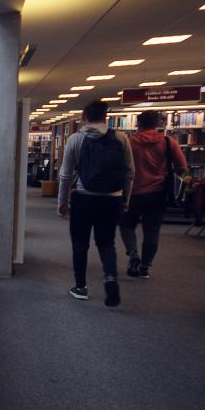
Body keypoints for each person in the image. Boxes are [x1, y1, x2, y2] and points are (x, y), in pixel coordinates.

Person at [58, 100, 135, 306]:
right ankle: (110, 277)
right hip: (112, 199)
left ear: (84, 116)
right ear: (106, 116)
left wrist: (62, 202)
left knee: (80, 243)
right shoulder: (121, 138)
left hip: (83, 198)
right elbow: (130, 173)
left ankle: (80, 287)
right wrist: (125, 200)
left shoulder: (76, 139)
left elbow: (65, 175)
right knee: (106, 243)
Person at [118, 110, 188, 278]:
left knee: (126, 225)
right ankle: (145, 266)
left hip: (131, 192)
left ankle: (133, 254)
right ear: (157, 123)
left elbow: (120, 166)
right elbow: (182, 167)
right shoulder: (169, 142)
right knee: (152, 230)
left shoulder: (129, 142)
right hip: (157, 193)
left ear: (138, 123)